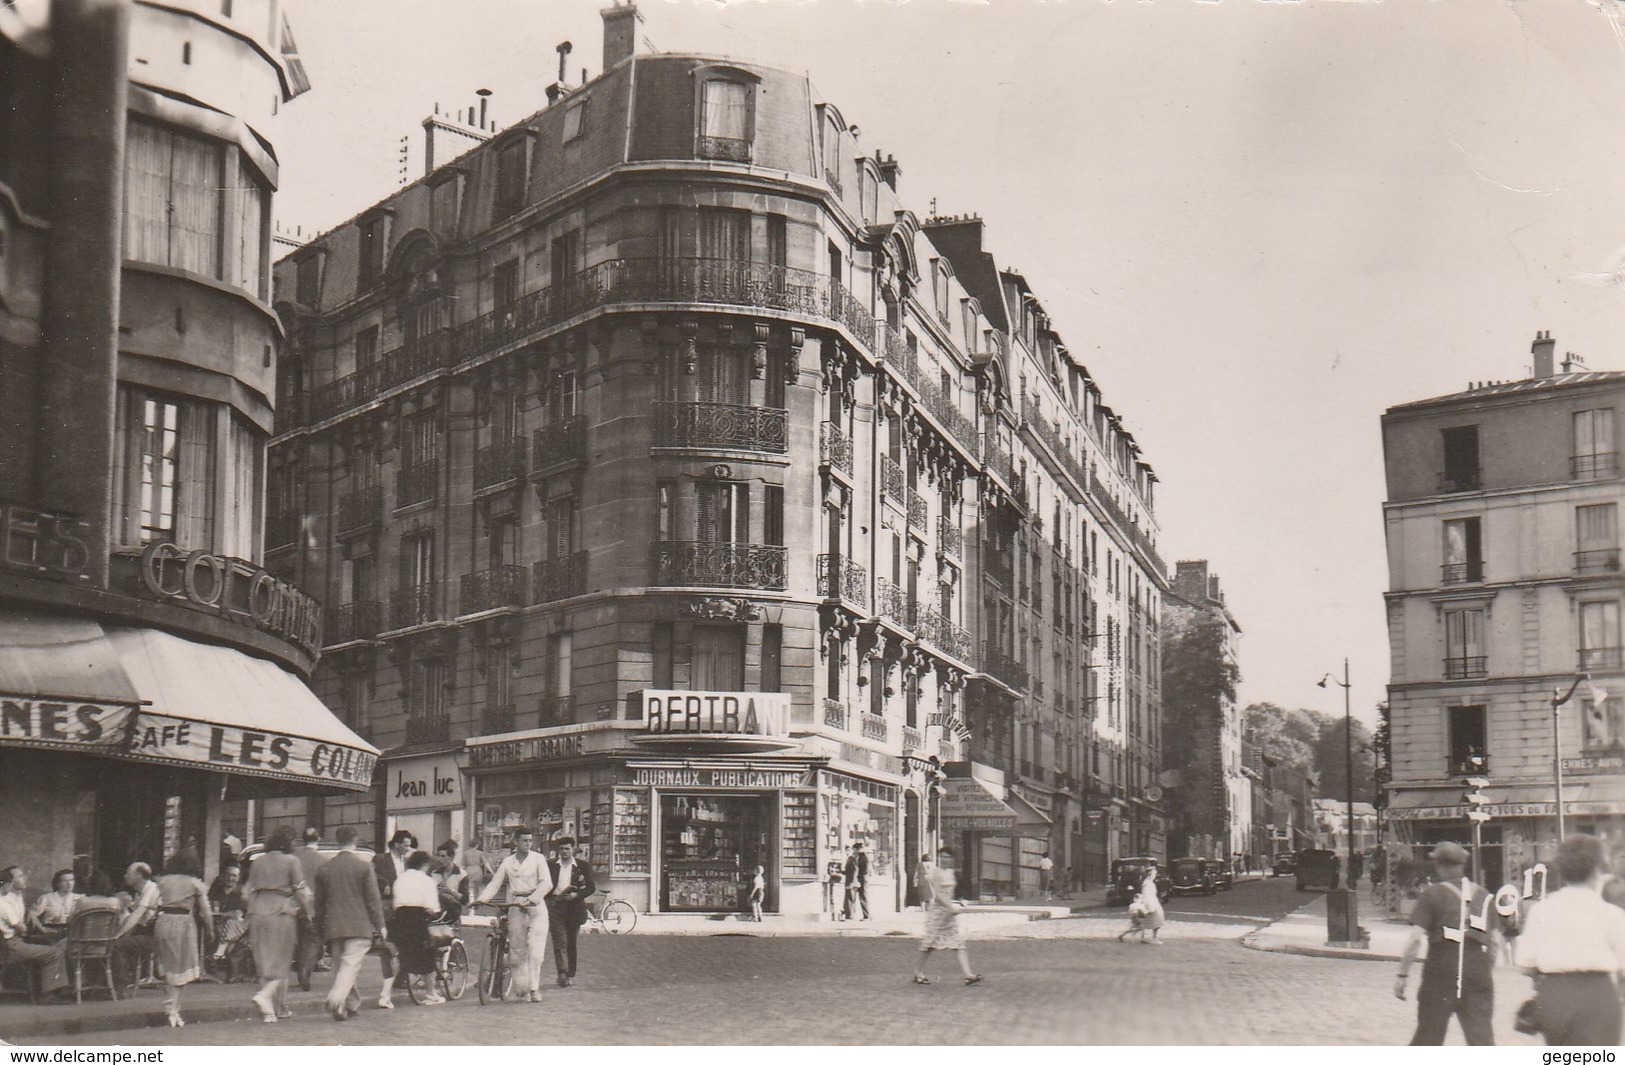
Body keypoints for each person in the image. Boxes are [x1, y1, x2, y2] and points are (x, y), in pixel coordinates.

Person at [1515, 834, 1625, 1045]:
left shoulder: (1541, 910)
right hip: (1598, 996)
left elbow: (1525, 966)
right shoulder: (1611, 914)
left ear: (1562, 870)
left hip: (1554, 995)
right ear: (1597, 870)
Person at [1394, 841, 1496, 1046]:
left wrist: (1402, 974)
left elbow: (1415, 939)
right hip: (1477, 967)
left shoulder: (1432, 894)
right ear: (1461, 865)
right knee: (1481, 1041)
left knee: (1429, 1036)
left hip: (1441, 968)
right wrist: (1482, 971)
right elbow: (1494, 943)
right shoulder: (1484, 895)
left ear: (1440, 866)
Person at [315, 825, 387, 1022]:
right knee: (350, 966)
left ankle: (350, 1004)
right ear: (355, 840)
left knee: (341, 967)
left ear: (338, 841)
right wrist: (380, 924)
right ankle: (337, 999)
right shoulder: (364, 866)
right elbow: (373, 899)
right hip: (359, 924)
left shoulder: (325, 868)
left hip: (334, 926)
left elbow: (319, 903)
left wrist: (319, 927)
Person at [477, 828, 552, 1002]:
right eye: (524, 840)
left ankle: (534, 989)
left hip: (536, 906)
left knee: (535, 950)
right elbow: (495, 883)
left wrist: (533, 899)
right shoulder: (508, 862)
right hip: (516, 905)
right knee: (517, 950)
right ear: (515, 842)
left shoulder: (538, 859)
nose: (528, 844)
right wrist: (482, 899)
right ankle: (522, 989)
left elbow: (546, 883)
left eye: (530, 841)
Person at [245, 827, 309, 1023]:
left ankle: (273, 1011)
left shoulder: (257, 862)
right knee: (282, 960)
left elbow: (247, 890)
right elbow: (300, 890)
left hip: (257, 911)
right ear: (288, 843)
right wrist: (307, 910)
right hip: (281, 911)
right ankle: (266, 997)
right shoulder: (292, 861)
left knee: (265, 962)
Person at [153, 851, 211, 1028]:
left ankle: (174, 1007)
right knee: (182, 966)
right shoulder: (195, 883)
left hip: (163, 921)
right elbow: (206, 911)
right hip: (183, 924)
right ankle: (172, 1007)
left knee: (170, 966)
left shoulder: (162, 881)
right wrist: (211, 928)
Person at [379, 851, 444, 1007]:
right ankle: (430, 993)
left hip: (399, 919)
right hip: (417, 919)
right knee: (428, 955)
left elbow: (396, 902)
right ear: (425, 865)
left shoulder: (400, 879)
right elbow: (432, 907)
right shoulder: (427, 880)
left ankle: (385, 995)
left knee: (396, 955)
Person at [912, 845, 981, 986]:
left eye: (947, 857)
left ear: (952, 859)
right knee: (929, 944)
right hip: (937, 914)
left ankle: (968, 975)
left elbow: (955, 891)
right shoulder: (936, 872)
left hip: (948, 915)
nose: (944, 860)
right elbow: (937, 895)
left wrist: (961, 901)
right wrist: (950, 907)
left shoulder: (951, 873)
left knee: (958, 943)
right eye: (942, 857)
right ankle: (917, 973)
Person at [0, 867, 68, 998]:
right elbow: (20, 927)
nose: (25, 878)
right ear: (9, 883)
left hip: (12, 942)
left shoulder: (17, 897)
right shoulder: (4, 901)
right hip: (10, 946)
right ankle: (47, 995)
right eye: (20, 876)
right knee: (55, 952)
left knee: (50, 946)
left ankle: (56, 989)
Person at [546, 836, 594, 987]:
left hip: (574, 908)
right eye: (561, 849)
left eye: (567, 849)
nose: (564, 852)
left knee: (571, 943)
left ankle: (570, 974)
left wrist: (577, 895)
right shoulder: (551, 865)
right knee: (560, 941)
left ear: (573, 849)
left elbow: (591, 887)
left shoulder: (582, 866)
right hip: (556, 906)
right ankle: (562, 972)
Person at [111, 862, 161, 992]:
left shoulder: (151, 889)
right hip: (148, 931)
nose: (125, 875)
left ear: (138, 875)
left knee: (116, 945)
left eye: (128, 873)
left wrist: (118, 934)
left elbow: (137, 915)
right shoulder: (139, 893)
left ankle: (119, 987)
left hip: (155, 934)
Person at [207, 864, 249, 973]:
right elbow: (210, 908)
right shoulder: (216, 891)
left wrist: (224, 914)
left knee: (232, 922)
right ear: (223, 876)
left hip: (238, 926)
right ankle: (220, 954)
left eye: (234, 876)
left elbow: (239, 913)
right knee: (227, 924)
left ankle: (217, 955)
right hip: (220, 924)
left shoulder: (241, 893)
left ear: (238, 878)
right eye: (228, 875)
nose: (230, 878)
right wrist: (226, 914)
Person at [27, 870, 81, 941]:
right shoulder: (47, 898)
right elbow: (32, 915)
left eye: (71, 880)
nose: (69, 884)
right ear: (57, 883)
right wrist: (43, 929)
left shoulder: (80, 898)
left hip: (73, 934)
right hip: (52, 934)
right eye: (65, 881)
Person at [1118, 868, 1165, 945]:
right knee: (1154, 920)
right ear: (1150, 874)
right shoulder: (1147, 883)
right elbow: (1146, 895)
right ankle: (1154, 938)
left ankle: (1145, 938)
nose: (1155, 875)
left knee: (1145, 922)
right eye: (1154, 873)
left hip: (1153, 902)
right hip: (1151, 903)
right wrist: (1150, 906)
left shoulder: (1149, 882)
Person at [372, 830, 414, 908]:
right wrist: (384, 884)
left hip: (405, 903)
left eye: (409, 846)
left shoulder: (408, 862)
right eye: (406, 846)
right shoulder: (380, 859)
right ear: (397, 845)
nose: (408, 849)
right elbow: (374, 874)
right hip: (388, 902)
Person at [431, 842, 468, 924]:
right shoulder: (434, 873)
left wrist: (450, 890)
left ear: (451, 857)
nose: (440, 859)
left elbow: (465, 900)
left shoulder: (461, 874)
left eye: (443, 856)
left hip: (453, 912)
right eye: (438, 856)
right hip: (437, 912)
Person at [843, 842, 870, 920]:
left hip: (862, 879)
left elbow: (863, 870)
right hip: (859, 879)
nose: (854, 851)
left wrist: (858, 879)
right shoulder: (858, 857)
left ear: (859, 849)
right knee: (859, 897)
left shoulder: (863, 857)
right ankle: (865, 916)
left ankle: (866, 916)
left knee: (862, 897)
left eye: (855, 849)